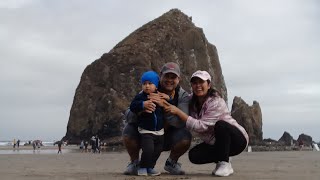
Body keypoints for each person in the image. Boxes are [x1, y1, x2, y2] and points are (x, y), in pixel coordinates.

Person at [163, 70, 249, 177]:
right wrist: (165, 97)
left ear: (208, 85)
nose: (198, 85)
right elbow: (180, 97)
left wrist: (177, 111)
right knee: (194, 156)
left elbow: (201, 126)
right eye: (195, 83)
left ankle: (224, 163)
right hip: (215, 142)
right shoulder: (191, 100)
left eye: (201, 82)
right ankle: (223, 157)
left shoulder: (216, 102)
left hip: (237, 141)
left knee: (221, 125)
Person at [122, 62, 192, 175]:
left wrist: (164, 105)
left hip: (167, 136)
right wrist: (142, 108)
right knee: (128, 131)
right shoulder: (149, 88)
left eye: (173, 77)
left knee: (185, 137)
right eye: (166, 76)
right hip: (146, 134)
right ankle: (135, 162)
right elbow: (128, 115)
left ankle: (171, 163)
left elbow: (181, 122)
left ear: (179, 79)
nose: (169, 80)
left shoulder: (183, 96)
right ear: (160, 76)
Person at [130, 71, 164, 176]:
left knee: (157, 150)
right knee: (148, 150)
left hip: (159, 131)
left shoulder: (160, 96)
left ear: (156, 85)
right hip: (146, 130)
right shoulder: (140, 97)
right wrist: (142, 104)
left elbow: (169, 105)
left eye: (150, 83)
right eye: (144, 84)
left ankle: (150, 167)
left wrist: (167, 99)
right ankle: (142, 167)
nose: (147, 86)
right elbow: (132, 106)